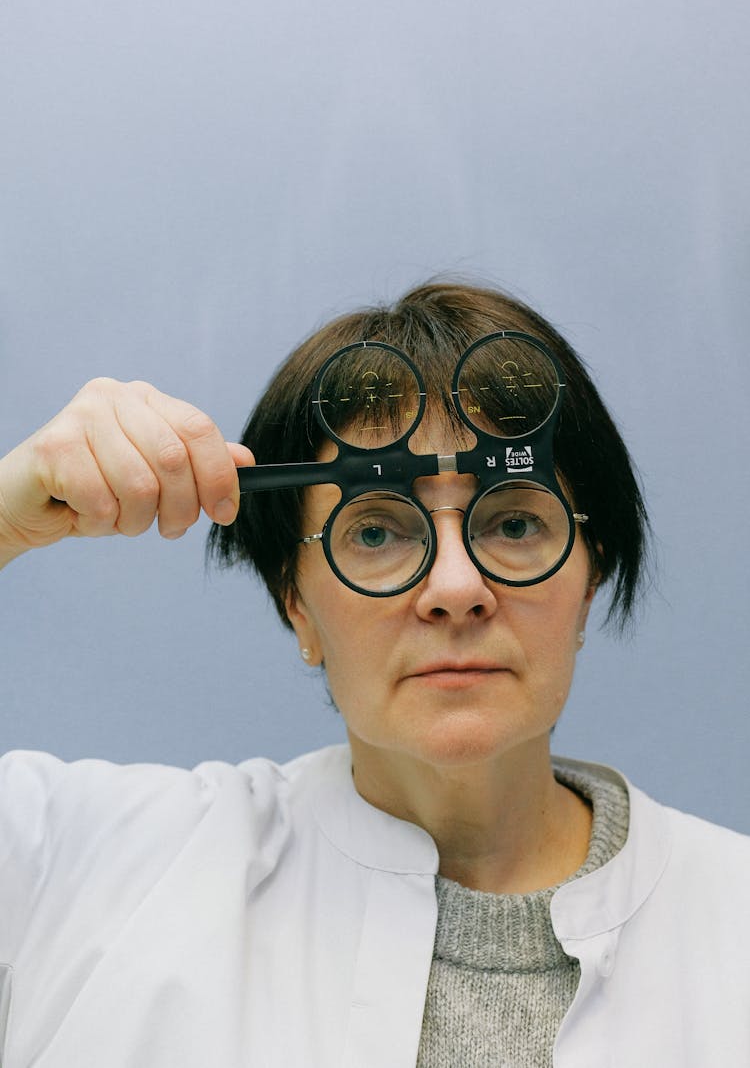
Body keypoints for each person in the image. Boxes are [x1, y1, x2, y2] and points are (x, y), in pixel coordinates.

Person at [0, 282, 747, 1068]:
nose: (456, 587)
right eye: (378, 530)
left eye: (515, 522)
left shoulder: (735, 921)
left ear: (590, 577)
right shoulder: (71, 870)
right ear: (296, 603)